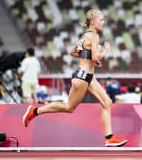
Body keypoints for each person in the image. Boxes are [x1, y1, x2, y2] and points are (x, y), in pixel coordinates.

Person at [22, 9, 127, 147]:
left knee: (107, 102)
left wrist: (91, 58)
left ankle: (109, 138)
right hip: (82, 77)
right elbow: (96, 56)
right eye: (101, 20)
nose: (103, 22)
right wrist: (105, 51)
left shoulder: (86, 36)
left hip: (87, 76)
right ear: (93, 22)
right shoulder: (94, 36)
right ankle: (34, 111)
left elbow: (73, 52)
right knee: (69, 107)